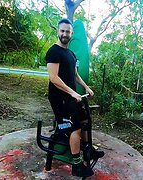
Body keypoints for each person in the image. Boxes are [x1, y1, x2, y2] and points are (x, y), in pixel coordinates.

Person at [45, 18, 102, 178]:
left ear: (72, 33)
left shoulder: (70, 53)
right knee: (74, 128)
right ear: (58, 31)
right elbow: (54, 78)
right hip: (60, 99)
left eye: (68, 31)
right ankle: (76, 165)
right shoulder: (53, 52)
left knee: (84, 120)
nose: (65, 34)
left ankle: (88, 152)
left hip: (71, 98)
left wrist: (86, 87)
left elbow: (75, 75)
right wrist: (72, 92)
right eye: (62, 31)